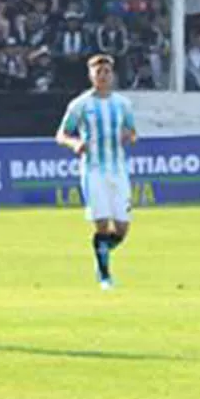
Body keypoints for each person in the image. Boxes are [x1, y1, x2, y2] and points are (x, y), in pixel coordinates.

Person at [55, 54, 138, 289]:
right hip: (93, 171)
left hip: (118, 170)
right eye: (98, 72)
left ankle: (101, 251)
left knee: (122, 228)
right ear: (90, 75)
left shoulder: (122, 104)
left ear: (112, 75)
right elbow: (61, 134)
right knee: (101, 224)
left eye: (107, 72)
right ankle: (104, 275)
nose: (102, 76)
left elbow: (133, 132)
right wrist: (74, 144)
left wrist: (128, 137)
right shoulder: (80, 105)